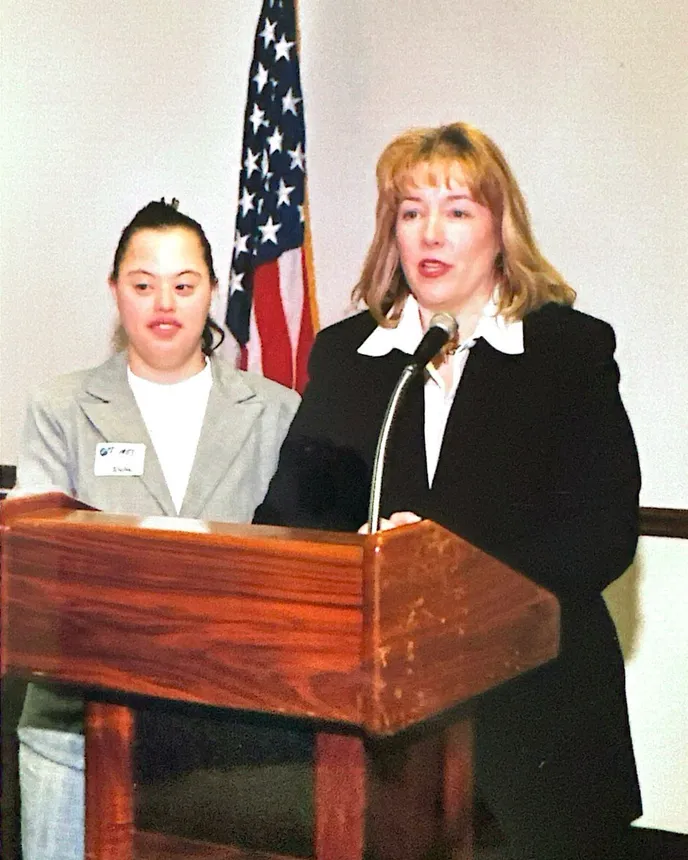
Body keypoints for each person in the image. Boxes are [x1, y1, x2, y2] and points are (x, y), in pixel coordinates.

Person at [255, 123, 642, 860]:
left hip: (537, 725)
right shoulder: (350, 357)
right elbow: (286, 526)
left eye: (458, 210)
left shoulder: (566, 351)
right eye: (410, 211)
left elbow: (602, 534)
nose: (431, 232)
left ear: (501, 230)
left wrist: (443, 563)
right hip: (383, 740)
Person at [15, 199, 301, 860]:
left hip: (224, 739)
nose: (163, 303)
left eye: (183, 284)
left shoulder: (277, 412)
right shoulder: (60, 408)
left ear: (212, 292)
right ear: (116, 294)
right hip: (74, 731)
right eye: (143, 285)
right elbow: (42, 570)